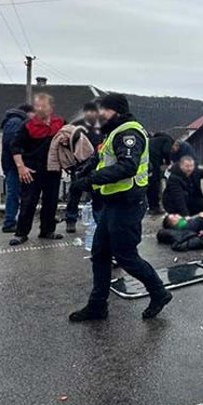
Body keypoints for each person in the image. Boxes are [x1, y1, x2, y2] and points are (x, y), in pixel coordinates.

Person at [68, 93, 172, 321]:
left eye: (104, 110)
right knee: (100, 253)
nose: (100, 115)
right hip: (113, 202)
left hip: (128, 203)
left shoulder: (128, 133)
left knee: (126, 257)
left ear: (116, 110)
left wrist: (90, 181)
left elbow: (127, 166)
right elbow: (103, 158)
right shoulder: (113, 132)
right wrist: (86, 169)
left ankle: (159, 293)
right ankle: (97, 306)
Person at [9, 94, 65, 246]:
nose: (40, 109)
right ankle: (21, 233)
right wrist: (21, 167)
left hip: (53, 169)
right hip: (32, 169)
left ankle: (47, 230)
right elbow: (15, 146)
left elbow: (70, 139)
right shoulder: (27, 125)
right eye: (37, 106)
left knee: (51, 201)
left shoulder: (60, 123)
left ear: (51, 107)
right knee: (28, 202)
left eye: (43, 106)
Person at [64, 102, 104, 233]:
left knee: (97, 195)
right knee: (75, 193)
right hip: (79, 165)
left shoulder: (103, 127)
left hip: (97, 166)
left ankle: (98, 221)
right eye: (89, 111)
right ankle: (71, 219)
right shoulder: (77, 126)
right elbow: (67, 144)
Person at [0, 104, 34, 233]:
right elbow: (13, 144)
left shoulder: (14, 121)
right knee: (14, 193)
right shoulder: (16, 122)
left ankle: (13, 220)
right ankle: (9, 222)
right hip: (14, 165)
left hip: (13, 164)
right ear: (28, 112)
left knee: (17, 193)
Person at [146, 132, 175, 214]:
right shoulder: (168, 140)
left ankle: (151, 206)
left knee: (150, 185)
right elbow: (166, 151)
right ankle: (155, 208)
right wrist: (169, 162)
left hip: (146, 163)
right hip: (154, 163)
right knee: (155, 185)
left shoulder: (151, 140)